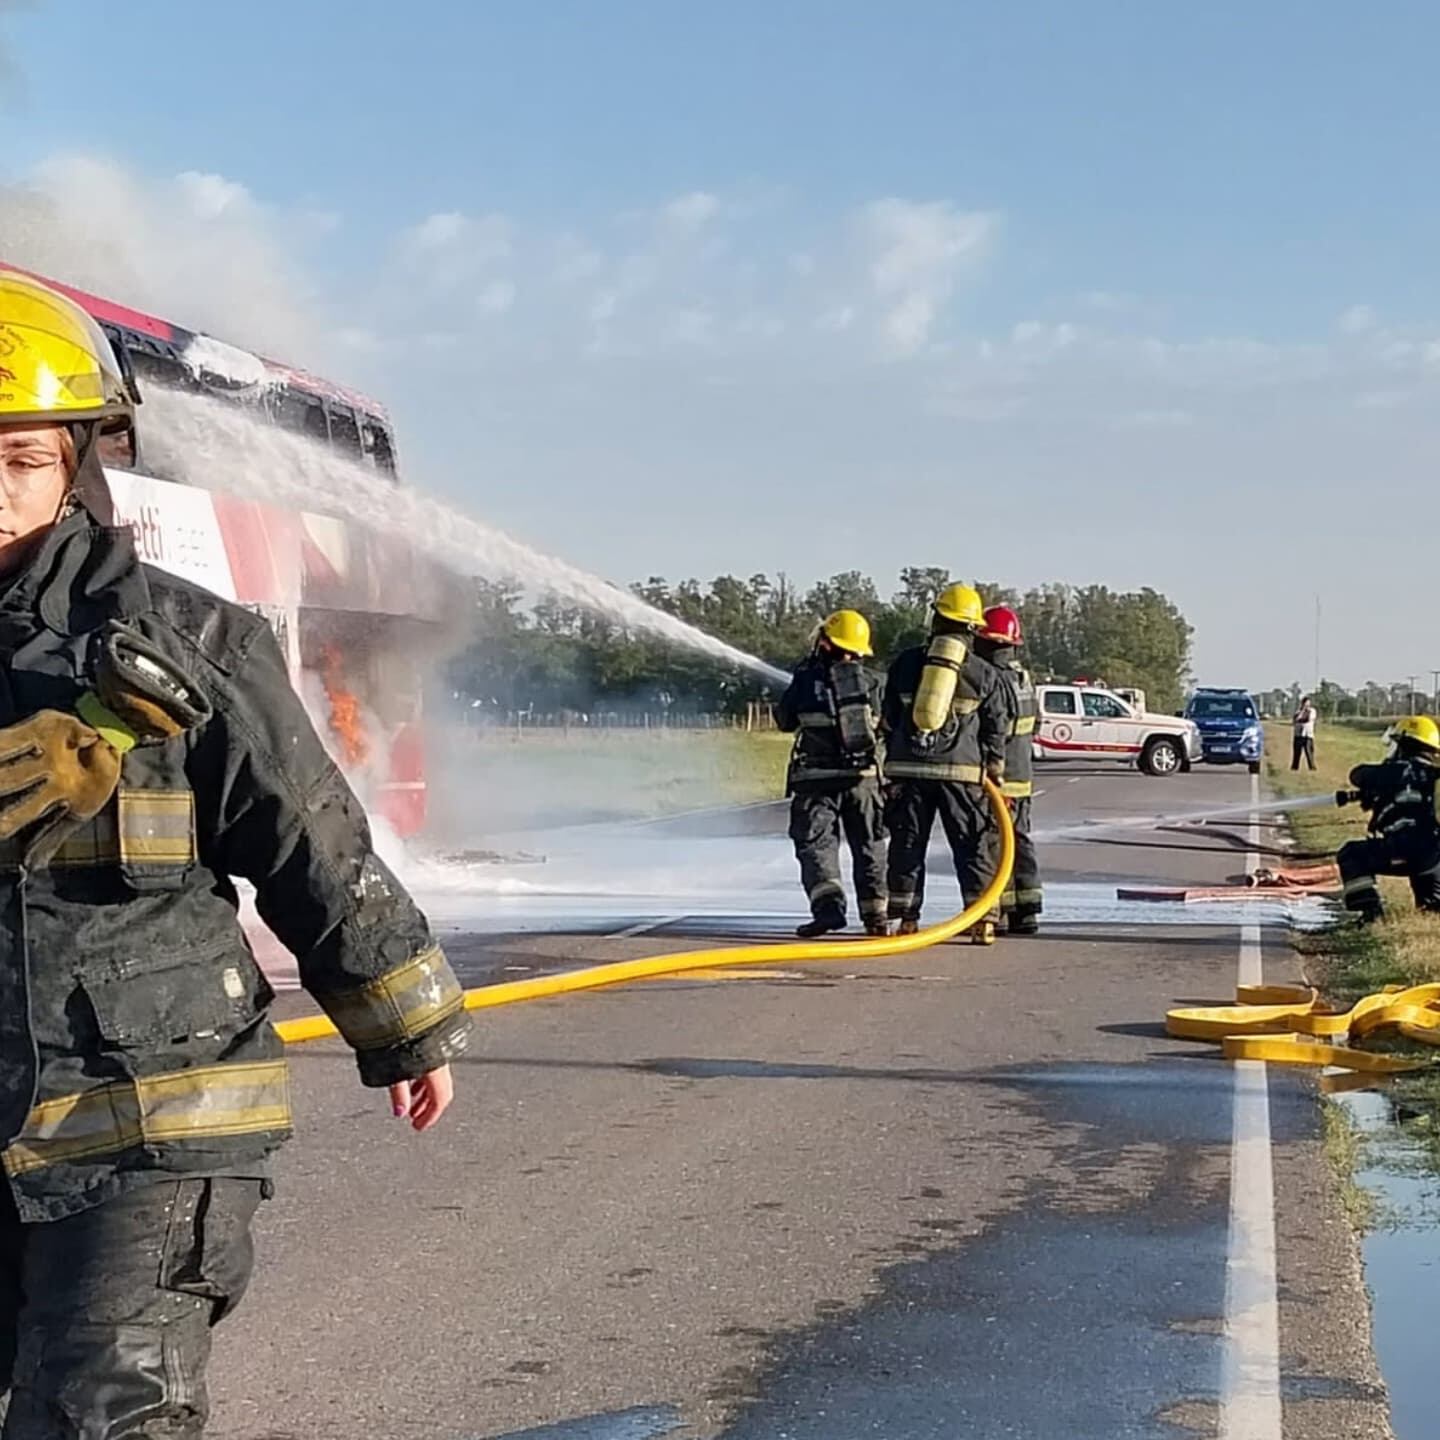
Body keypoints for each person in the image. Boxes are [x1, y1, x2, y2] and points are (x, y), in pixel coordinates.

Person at [0, 272, 471, 1437]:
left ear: (79, 467)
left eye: (18, 460)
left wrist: (405, 1025)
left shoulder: (192, 639)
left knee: (101, 1416)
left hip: (147, 1117)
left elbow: (309, 837)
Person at [882, 583, 1012, 944]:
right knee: (972, 846)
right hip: (964, 775)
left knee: (907, 846)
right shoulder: (984, 673)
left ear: (936, 619)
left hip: (907, 772)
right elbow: (995, 727)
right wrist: (995, 771)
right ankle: (982, 920)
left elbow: (889, 718)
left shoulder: (905, 664)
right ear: (973, 628)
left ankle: (903, 919)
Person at [775, 610, 888, 937]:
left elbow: (785, 722)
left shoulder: (805, 678)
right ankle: (877, 917)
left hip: (816, 782)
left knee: (817, 846)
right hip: (863, 782)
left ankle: (829, 909)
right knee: (869, 845)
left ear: (825, 643)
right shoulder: (874, 682)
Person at [973, 605, 1042, 935]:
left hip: (997, 781)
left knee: (991, 845)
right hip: (1023, 779)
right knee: (1019, 842)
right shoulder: (1023, 679)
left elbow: (991, 731)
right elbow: (1035, 725)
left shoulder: (991, 679)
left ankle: (995, 912)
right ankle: (1026, 911)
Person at [1334, 715, 1440, 922]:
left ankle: (1371, 912)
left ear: (1404, 744)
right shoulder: (1434, 775)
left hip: (1403, 851)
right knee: (1431, 909)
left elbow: (1358, 774)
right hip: (1434, 857)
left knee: (1351, 854)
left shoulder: (1396, 770)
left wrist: (1373, 788)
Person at [1292, 695, 1317, 770]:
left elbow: (1308, 719)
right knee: (1296, 753)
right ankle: (1294, 768)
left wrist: (1301, 718)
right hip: (1298, 735)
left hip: (1308, 735)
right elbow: (1295, 720)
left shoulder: (1312, 711)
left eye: (1308, 704)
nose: (1306, 705)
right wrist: (1302, 711)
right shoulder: (1298, 711)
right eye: (1305, 704)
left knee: (1309, 752)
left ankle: (1312, 767)